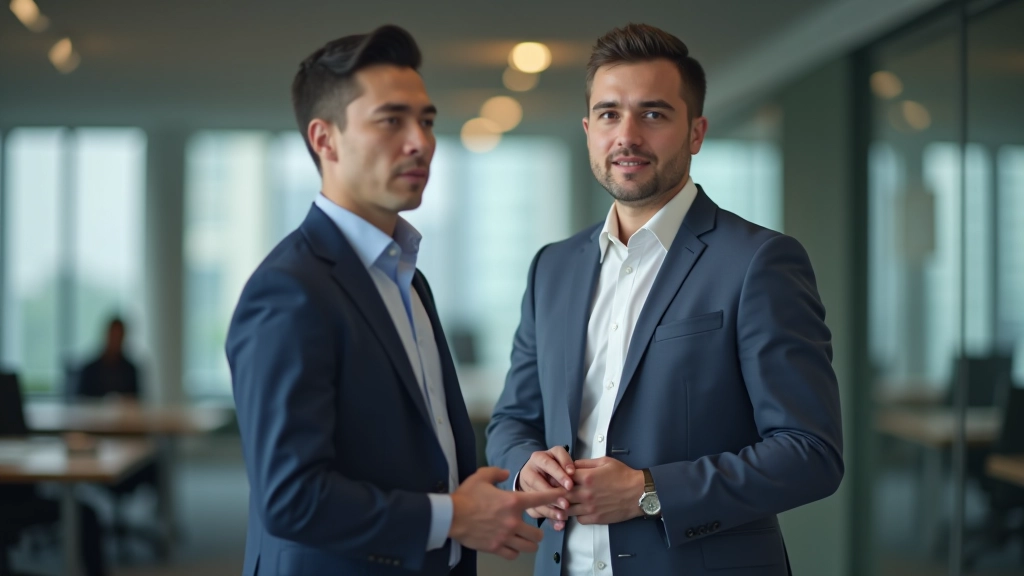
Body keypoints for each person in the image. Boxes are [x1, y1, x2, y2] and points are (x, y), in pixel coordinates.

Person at [486, 23, 844, 576]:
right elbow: (511, 420)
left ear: (695, 133)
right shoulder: (552, 267)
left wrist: (649, 491)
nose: (626, 135)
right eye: (609, 114)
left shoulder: (759, 262)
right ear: (588, 130)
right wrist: (523, 467)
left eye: (653, 114)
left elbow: (810, 453)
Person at [226, 25, 564, 576]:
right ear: (324, 139)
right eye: (391, 120)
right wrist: (451, 516)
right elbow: (290, 498)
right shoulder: (289, 289)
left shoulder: (407, 276)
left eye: (426, 120)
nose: (421, 141)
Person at [77, 317, 140, 399]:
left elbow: (135, 400)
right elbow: (82, 400)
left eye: (119, 336)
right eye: (113, 336)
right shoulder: (90, 370)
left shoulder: (130, 370)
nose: (115, 341)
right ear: (106, 336)